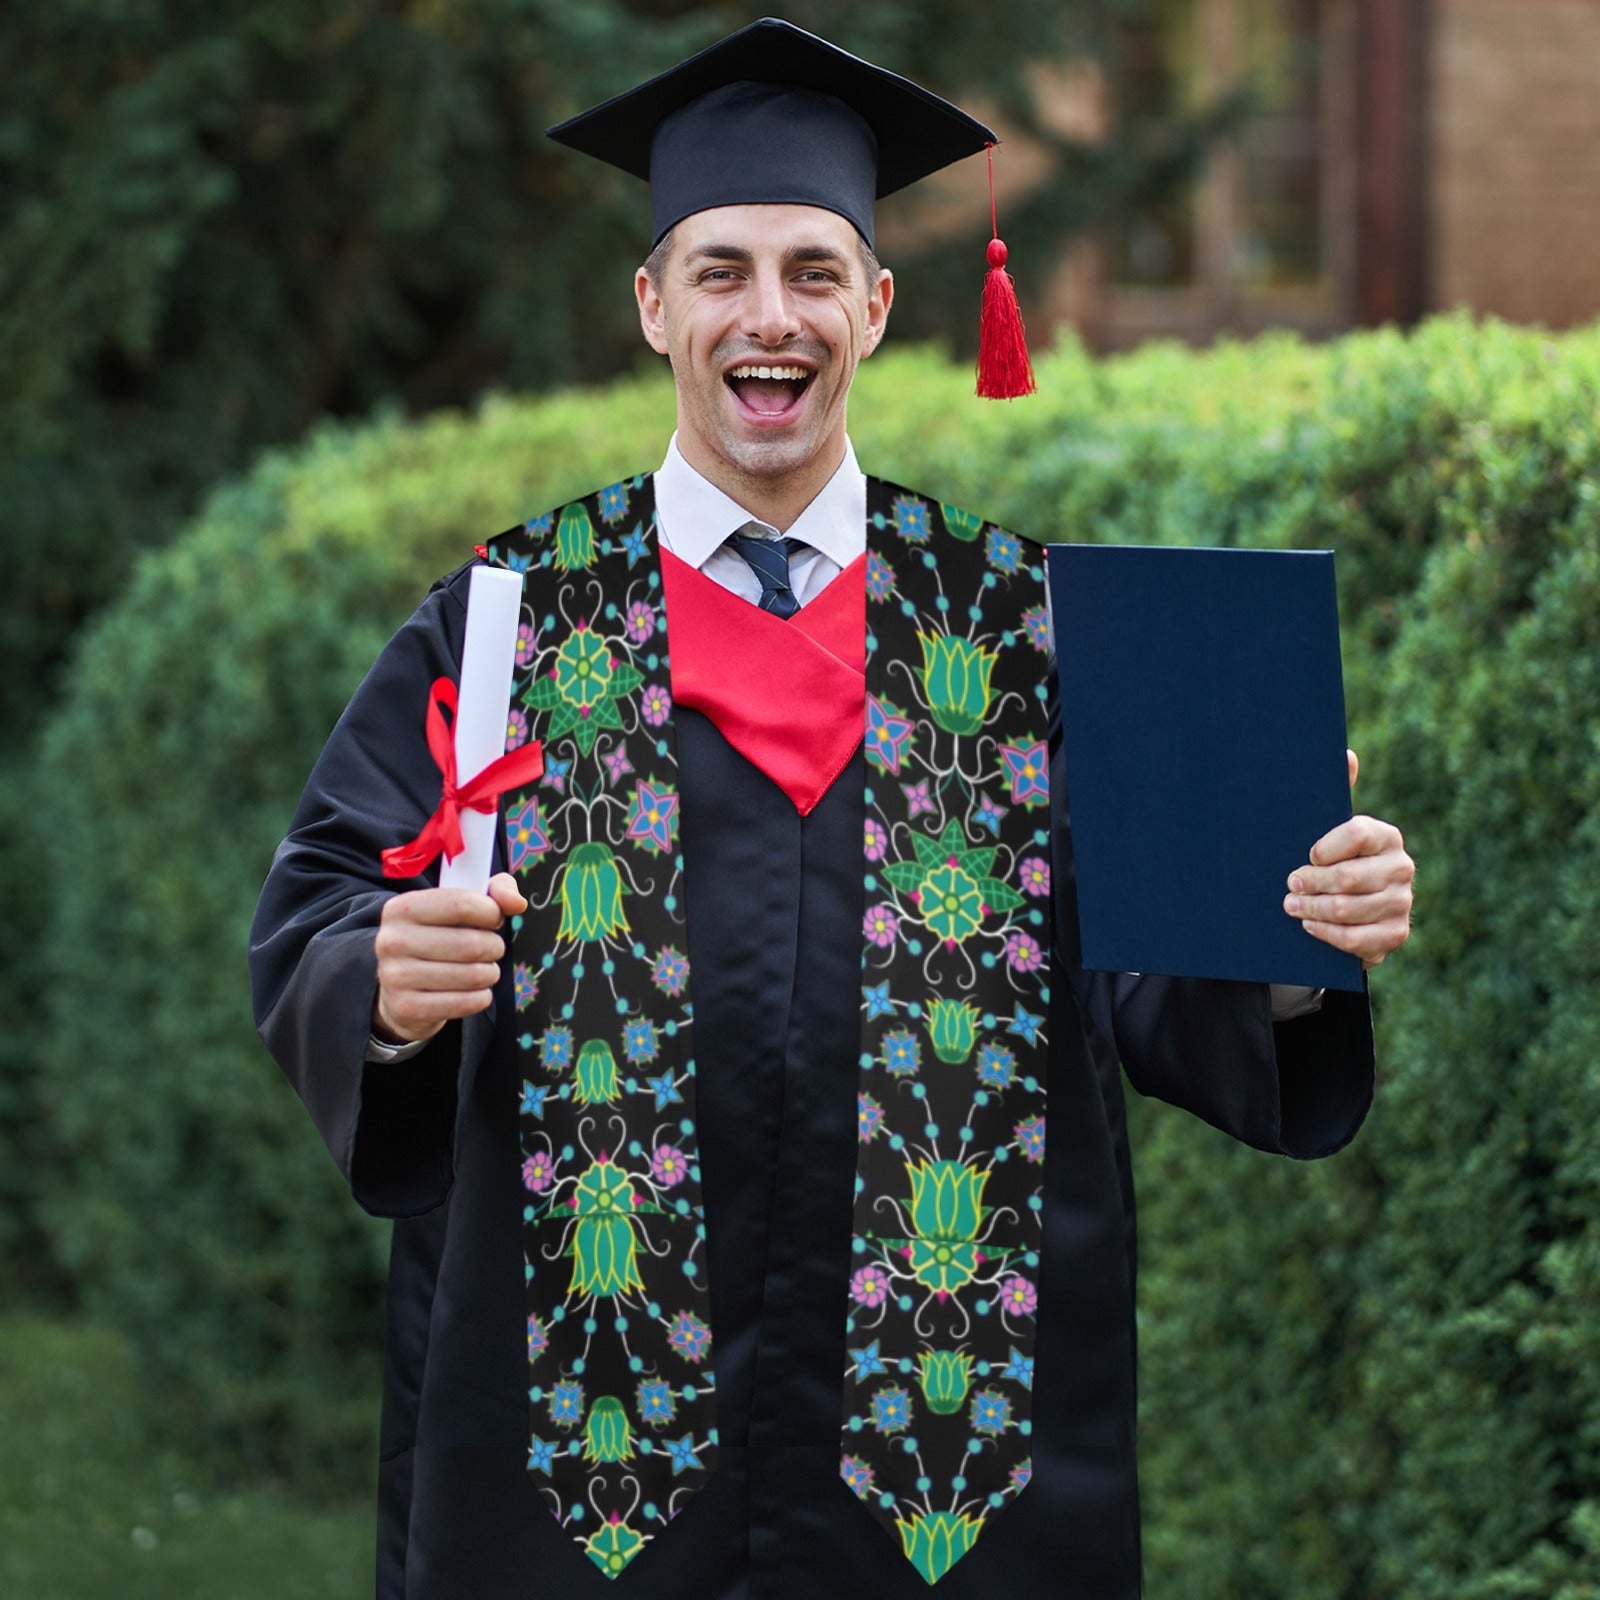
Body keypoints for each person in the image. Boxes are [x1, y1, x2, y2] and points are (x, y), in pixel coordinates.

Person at [249, 19, 1414, 1600]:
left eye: (812, 270)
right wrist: (379, 985)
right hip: (588, 1455)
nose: (768, 316)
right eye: (721, 270)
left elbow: (1149, 978)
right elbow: (324, 901)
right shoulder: (516, 624)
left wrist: (1293, 934)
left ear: (876, 305)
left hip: (953, 1451)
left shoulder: (1020, 630)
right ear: (654, 305)